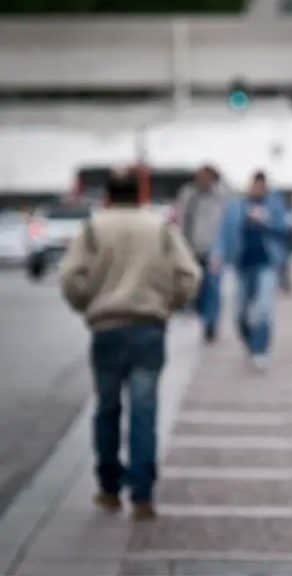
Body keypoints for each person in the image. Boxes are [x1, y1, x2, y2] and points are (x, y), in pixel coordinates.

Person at [60, 168, 200, 521]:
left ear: (107, 195)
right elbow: (190, 275)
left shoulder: (94, 228)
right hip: (148, 327)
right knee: (144, 410)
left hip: (106, 327)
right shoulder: (159, 228)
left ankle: (108, 488)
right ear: (139, 194)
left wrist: (86, 304)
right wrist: (170, 303)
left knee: (107, 408)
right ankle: (142, 494)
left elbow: (70, 276)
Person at [211, 171, 290, 370]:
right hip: (242, 264)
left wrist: (265, 220)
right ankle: (250, 341)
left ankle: (260, 349)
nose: (257, 189)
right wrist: (218, 254)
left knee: (263, 310)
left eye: (261, 186)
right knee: (240, 313)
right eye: (254, 185)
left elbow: (286, 230)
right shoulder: (237, 205)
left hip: (267, 264)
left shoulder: (274, 204)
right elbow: (224, 231)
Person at [175, 165, 227, 343]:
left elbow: (225, 223)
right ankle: (200, 314)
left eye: (207, 177)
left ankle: (210, 324)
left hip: (214, 250)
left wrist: (223, 248)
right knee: (196, 287)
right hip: (192, 248)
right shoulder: (188, 194)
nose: (203, 180)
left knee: (213, 288)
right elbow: (181, 219)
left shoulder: (221, 196)